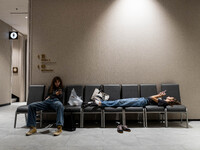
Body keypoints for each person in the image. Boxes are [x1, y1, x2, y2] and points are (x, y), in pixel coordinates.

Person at [94, 90, 181, 107]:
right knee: (120, 101)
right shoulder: (163, 101)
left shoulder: (164, 103)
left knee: (120, 102)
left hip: (142, 102)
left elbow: (151, 97)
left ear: (171, 100)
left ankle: (102, 104)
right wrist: (159, 95)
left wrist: (159, 95)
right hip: (142, 100)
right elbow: (152, 98)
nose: (169, 96)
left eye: (171, 97)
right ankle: (102, 102)